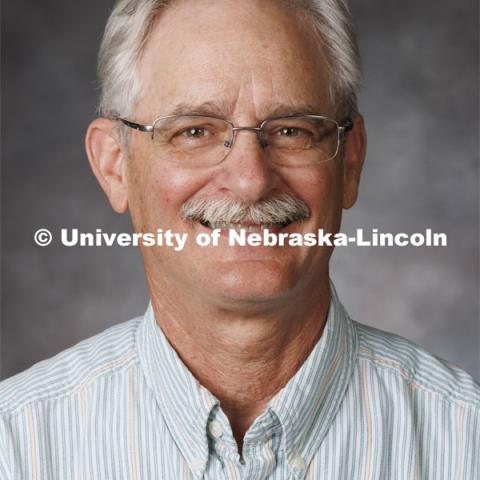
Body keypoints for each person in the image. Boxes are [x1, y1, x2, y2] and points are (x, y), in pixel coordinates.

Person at [1, 0, 478, 478]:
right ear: (114, 165)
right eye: (194, 132)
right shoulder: (17, 445)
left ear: (349, 162)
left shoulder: (465, 441)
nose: (250, 180)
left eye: (292, 130)